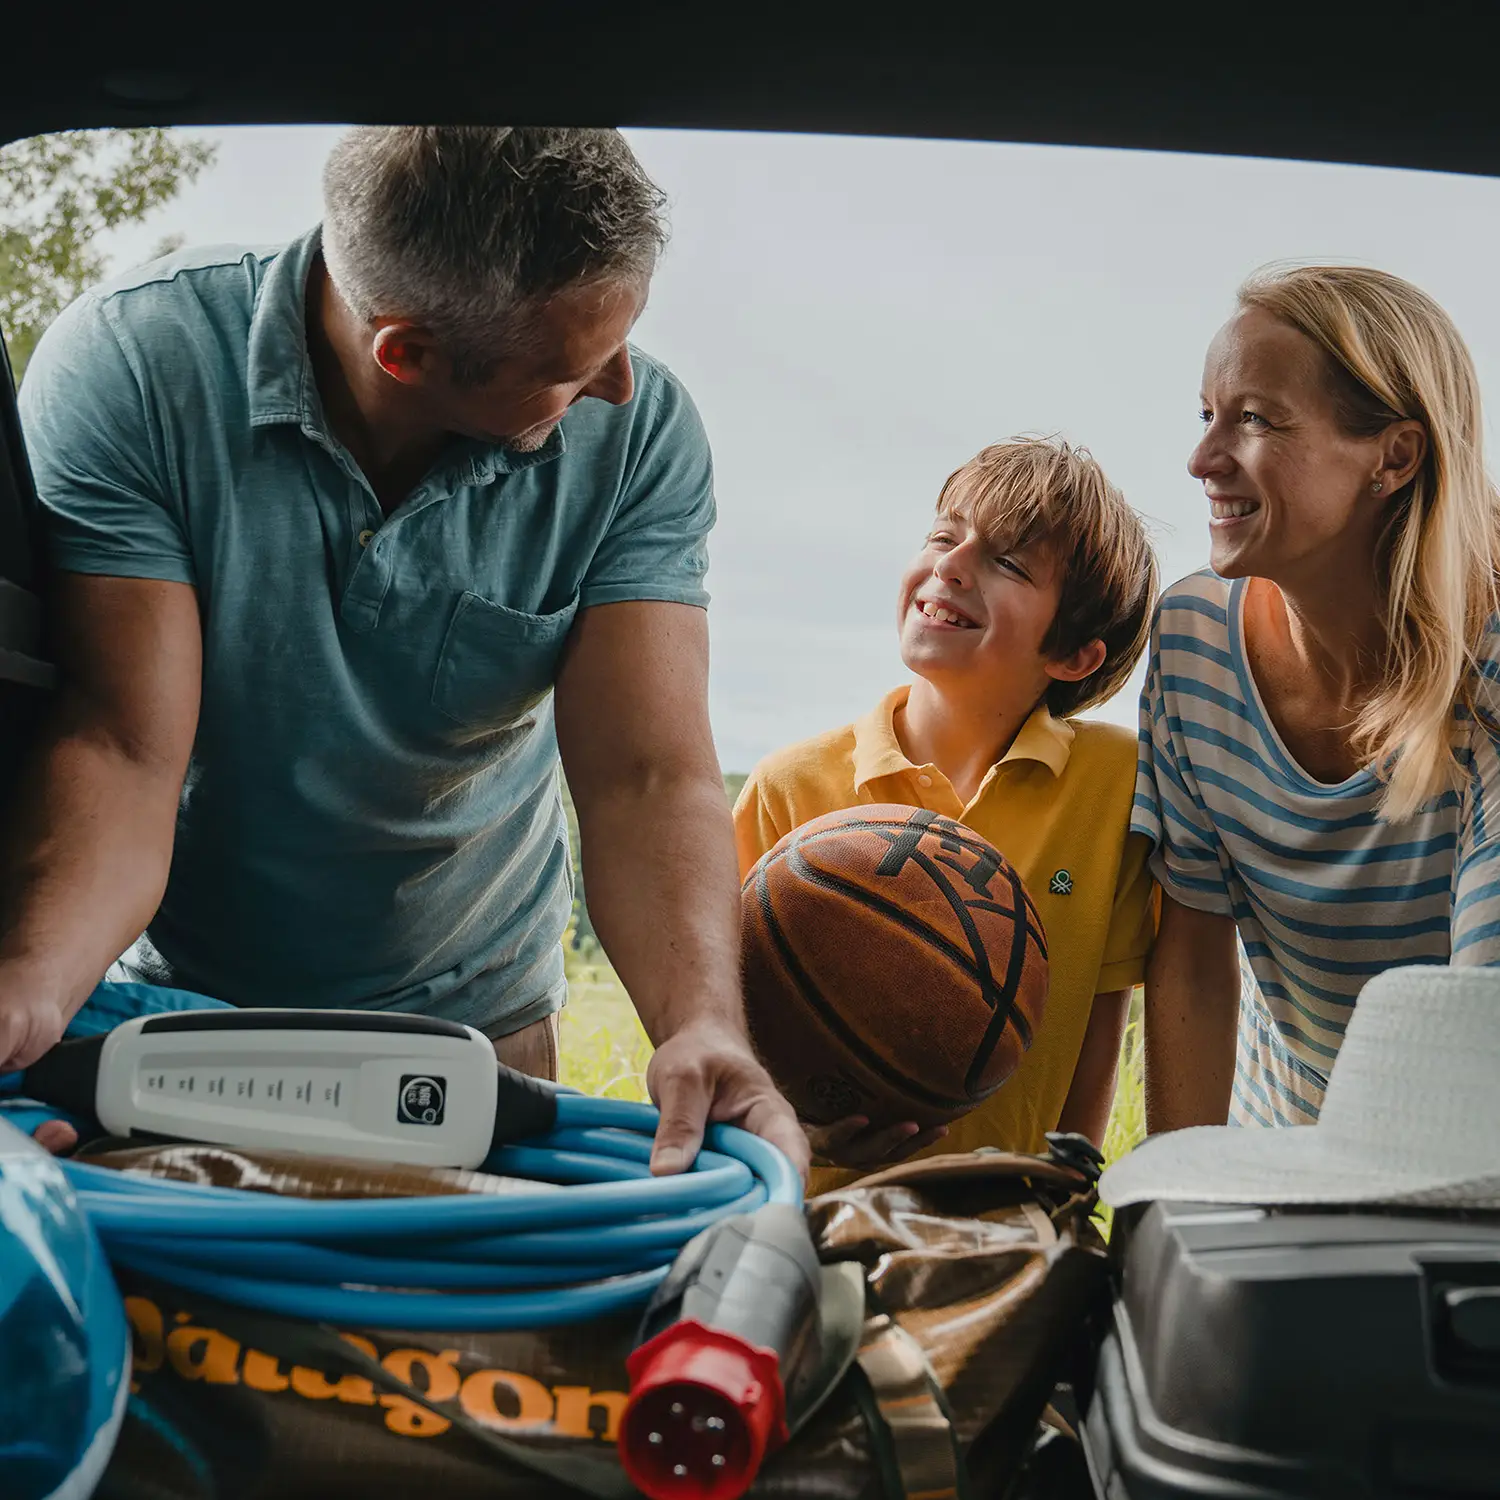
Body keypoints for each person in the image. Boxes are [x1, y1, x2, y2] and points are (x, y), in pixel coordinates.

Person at [0, 125, 806, 1179]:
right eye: (573, 365)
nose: (618, 385)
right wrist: (27, 992)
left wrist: (704, 1026)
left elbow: (644, 779)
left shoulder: (641, 433)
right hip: (190, 1026)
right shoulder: (135, 370)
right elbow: (123, 748)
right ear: (409, 353)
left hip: (480, 1032)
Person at [734, 437, 1158, 1190]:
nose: (952, 565)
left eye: (1009, 563)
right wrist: (802, 1136)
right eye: (942, 534)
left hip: (1008, 1232)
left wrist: (1069, 1198)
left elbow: (1099, 1027)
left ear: (1074, 657)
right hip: (809, 1222)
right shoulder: (786, 788)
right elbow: (724, 1035)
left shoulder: (1114, 784)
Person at [1134, 264, 1500, 1134]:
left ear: (1394, 456)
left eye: (1255, 418)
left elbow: (1481, 1012)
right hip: (1290, 1132)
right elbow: (1191, 951)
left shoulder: (1487, 658)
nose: (1202, 459)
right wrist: (1172, 1205)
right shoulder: (1191, 645)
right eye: (1207, 414)